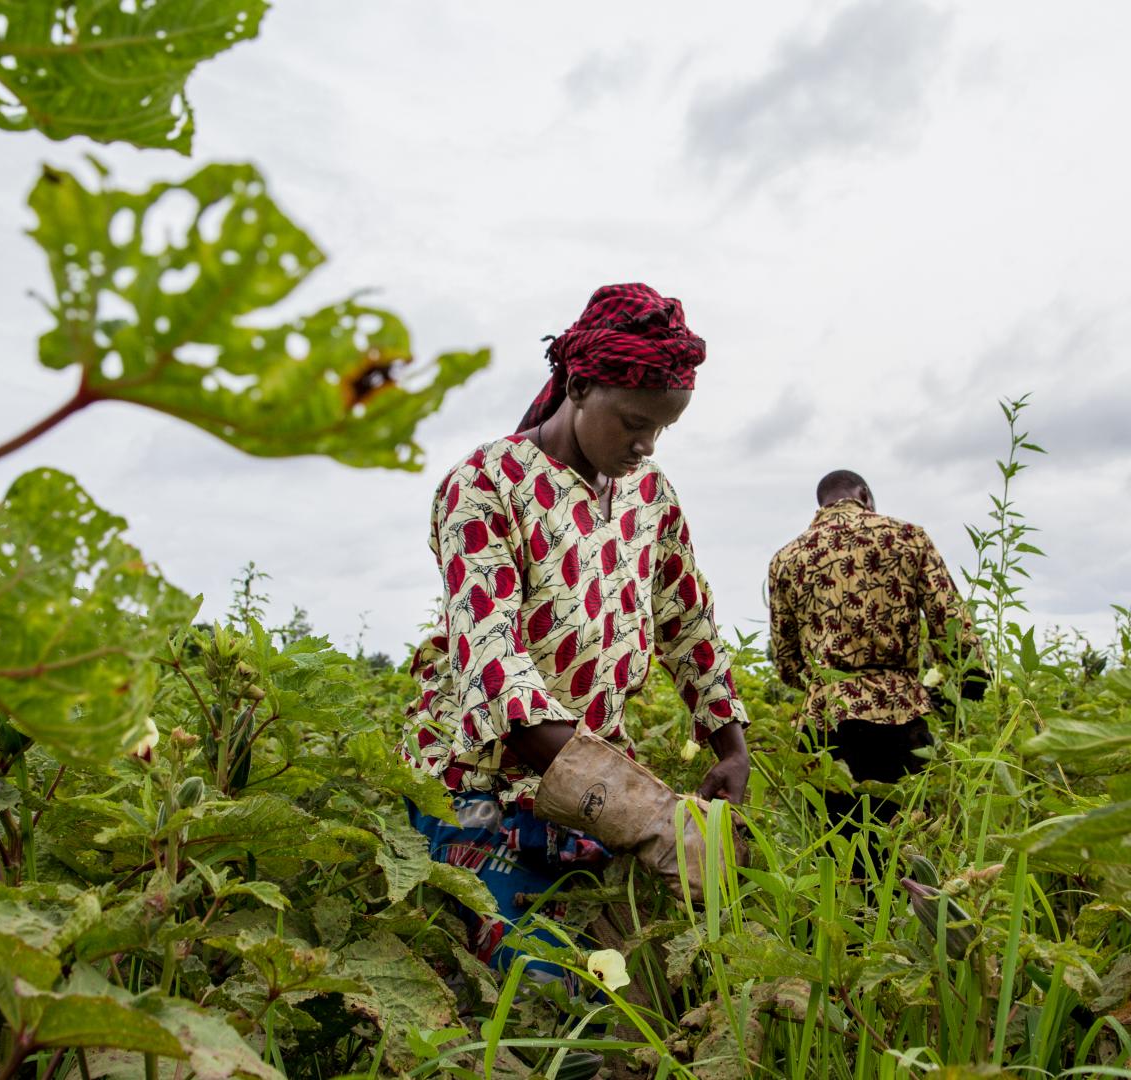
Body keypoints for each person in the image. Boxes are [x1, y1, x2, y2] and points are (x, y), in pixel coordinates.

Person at [400, 283, 750, 975]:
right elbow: (495, 669)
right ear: (580, 385)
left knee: (605, 1002)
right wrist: (653, 819)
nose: (645, 444)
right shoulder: (485, 484)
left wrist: (730, 742)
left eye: (662, 428)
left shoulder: (650, 497)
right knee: (510, 1007)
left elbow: (687, 620)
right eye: (631, 421)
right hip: (483, 796)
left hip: (589, 793)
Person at [767, 469, 989, 853]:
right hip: (898, 715)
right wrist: (968, 684)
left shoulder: (787, 559)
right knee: (906, 850)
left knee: (838, 857)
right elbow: (950, 624)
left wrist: (826, 682)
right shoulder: (907, 537)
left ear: (821, 504)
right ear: (865, 496)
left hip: (825, 723)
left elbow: (787, 661)